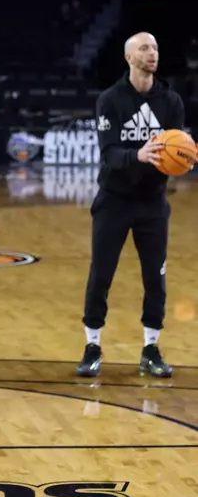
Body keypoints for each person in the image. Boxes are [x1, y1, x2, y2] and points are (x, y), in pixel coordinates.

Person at [77, 32, 185, 379]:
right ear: (128, 57)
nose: (152, 52)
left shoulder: (171, 101)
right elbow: (108, 154)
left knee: (156, 278)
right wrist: (137, 155)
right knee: (101, 275)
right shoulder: (110, 100)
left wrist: (182, 158)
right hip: (114, 200)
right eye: (144, 47)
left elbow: (176, 150)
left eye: (155, 47)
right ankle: (92, 346)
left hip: (153, 202)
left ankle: (150, 348)